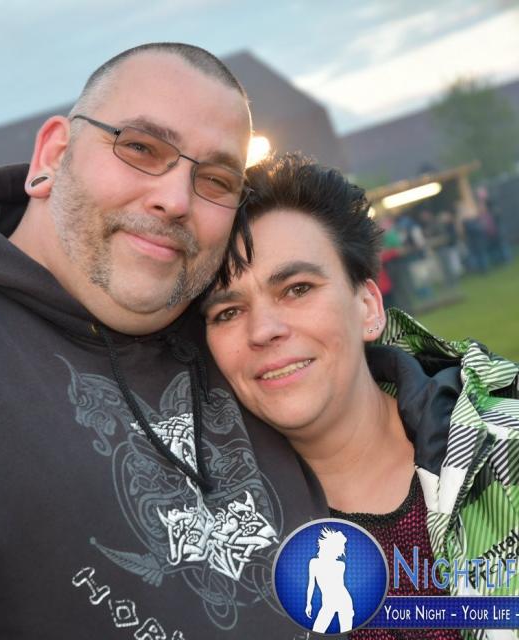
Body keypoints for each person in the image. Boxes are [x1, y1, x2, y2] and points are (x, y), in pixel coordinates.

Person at [0, 45, 326, 639]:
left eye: (217, 180)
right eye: (140, 148)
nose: (176, 200)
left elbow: (387, 423)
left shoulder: (239, 338)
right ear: (52, 155)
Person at [204, 154, 519, 640]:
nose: (263, 329)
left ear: (368, 307)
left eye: (297, 288)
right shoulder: (212, 546)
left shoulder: (506, 447)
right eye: (227, 312)